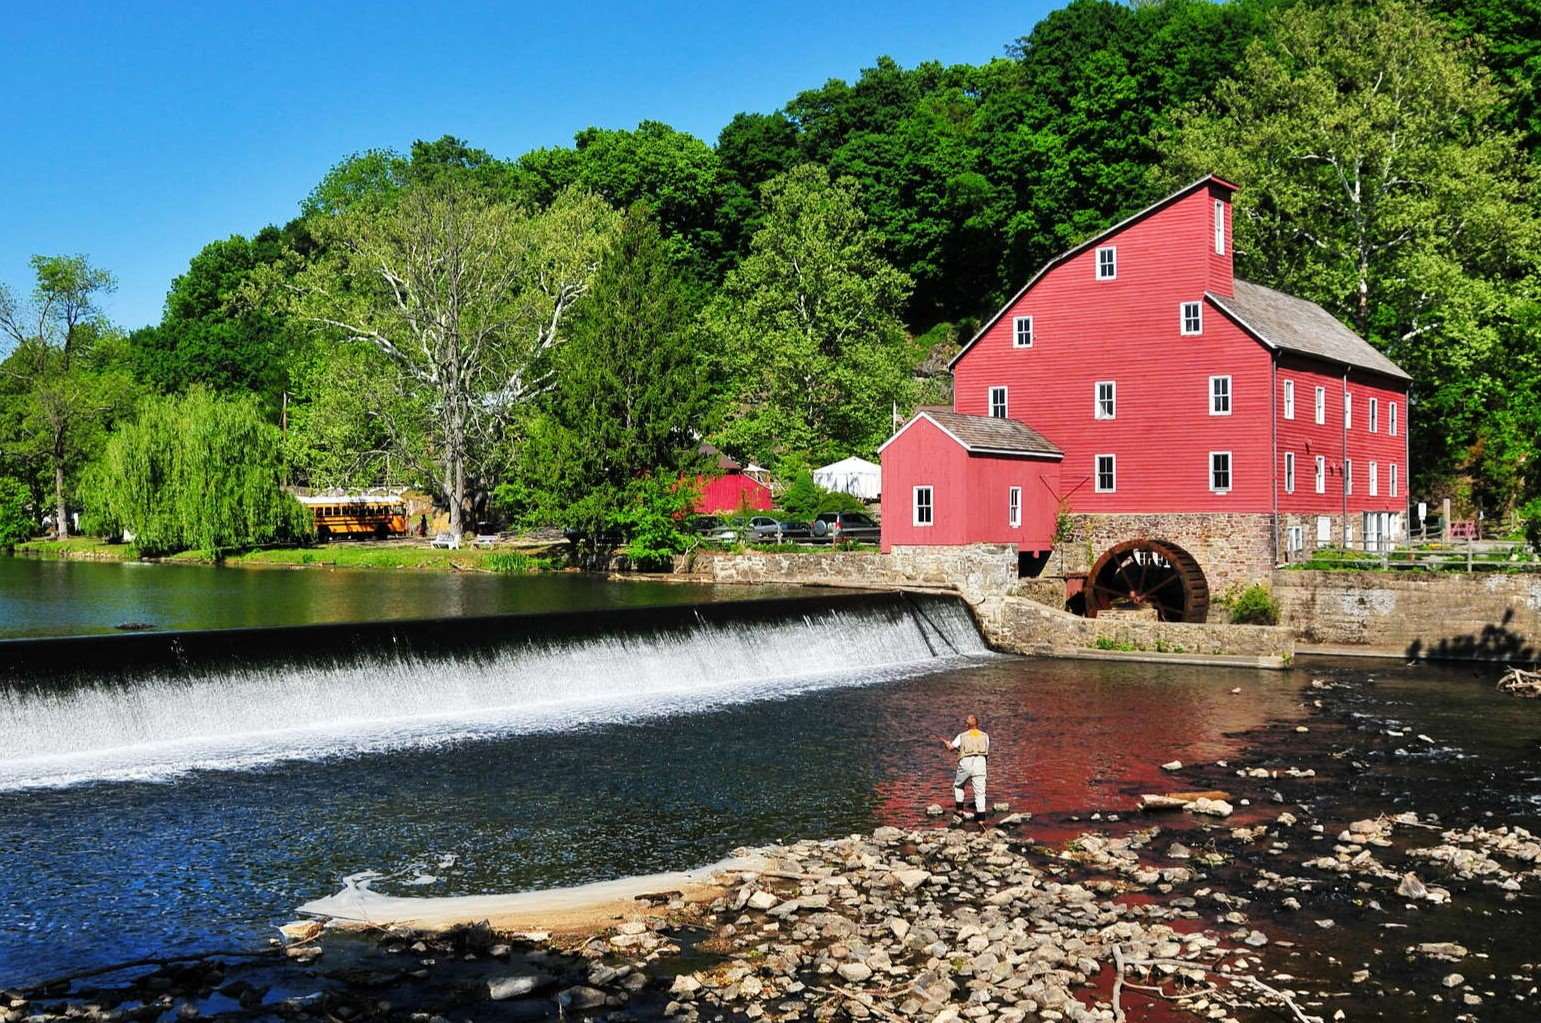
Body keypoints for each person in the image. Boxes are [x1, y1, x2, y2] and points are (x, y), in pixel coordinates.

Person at [939, 714, 990, 819]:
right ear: (977, 724)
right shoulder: (985, 736)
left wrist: (947, 743)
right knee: (980, 792)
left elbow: (951, 748)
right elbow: (986, 749)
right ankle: (981, 819)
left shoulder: (962, 736)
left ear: (967, 725)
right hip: (980, 763)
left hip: (966, 763)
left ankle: (960, 810)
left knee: (958, 785)